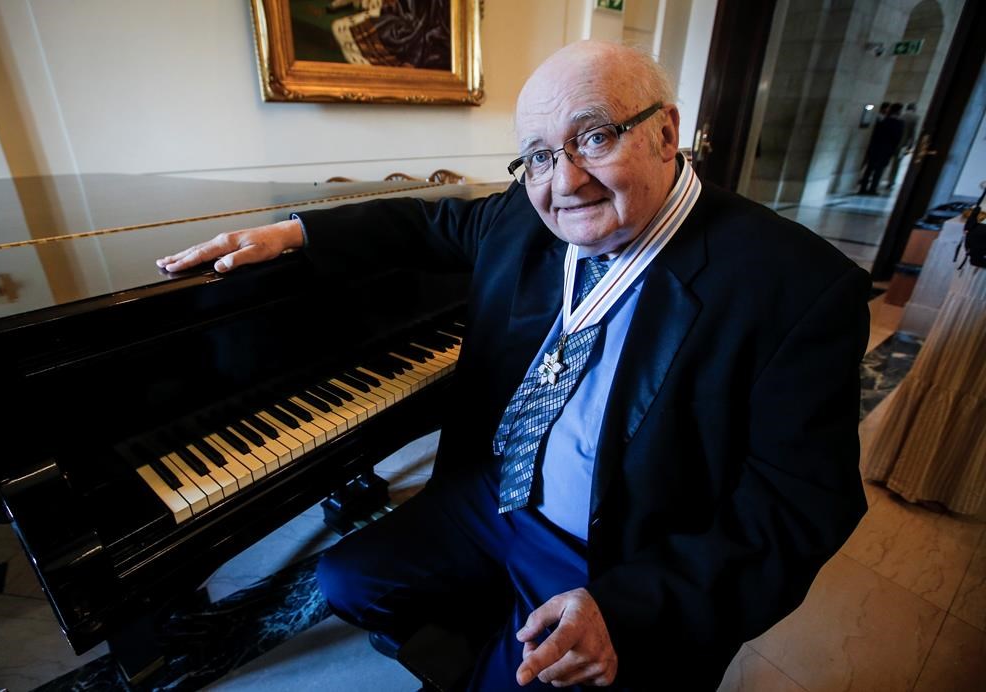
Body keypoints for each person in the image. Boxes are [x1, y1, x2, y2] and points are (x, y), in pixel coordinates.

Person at [157, 41, 870, 690]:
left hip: (621, 555)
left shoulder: (798, 287)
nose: (565, 180)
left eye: (593, 137)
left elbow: (798, 509)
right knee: (347, 579)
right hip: (500, 499)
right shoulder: (526, 215)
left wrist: (627, 607)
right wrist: (290, 231)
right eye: (536, 154)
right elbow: (421, 224)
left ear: (664, 132)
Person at [859, 102, 904, 195]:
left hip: (875, 147)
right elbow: (897, 139)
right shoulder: (899, 124)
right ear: (899, 111)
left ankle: (863, 188)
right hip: (887, 150)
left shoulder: (883, 121)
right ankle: (873, 188)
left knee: (869, 168)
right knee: (879, 170)